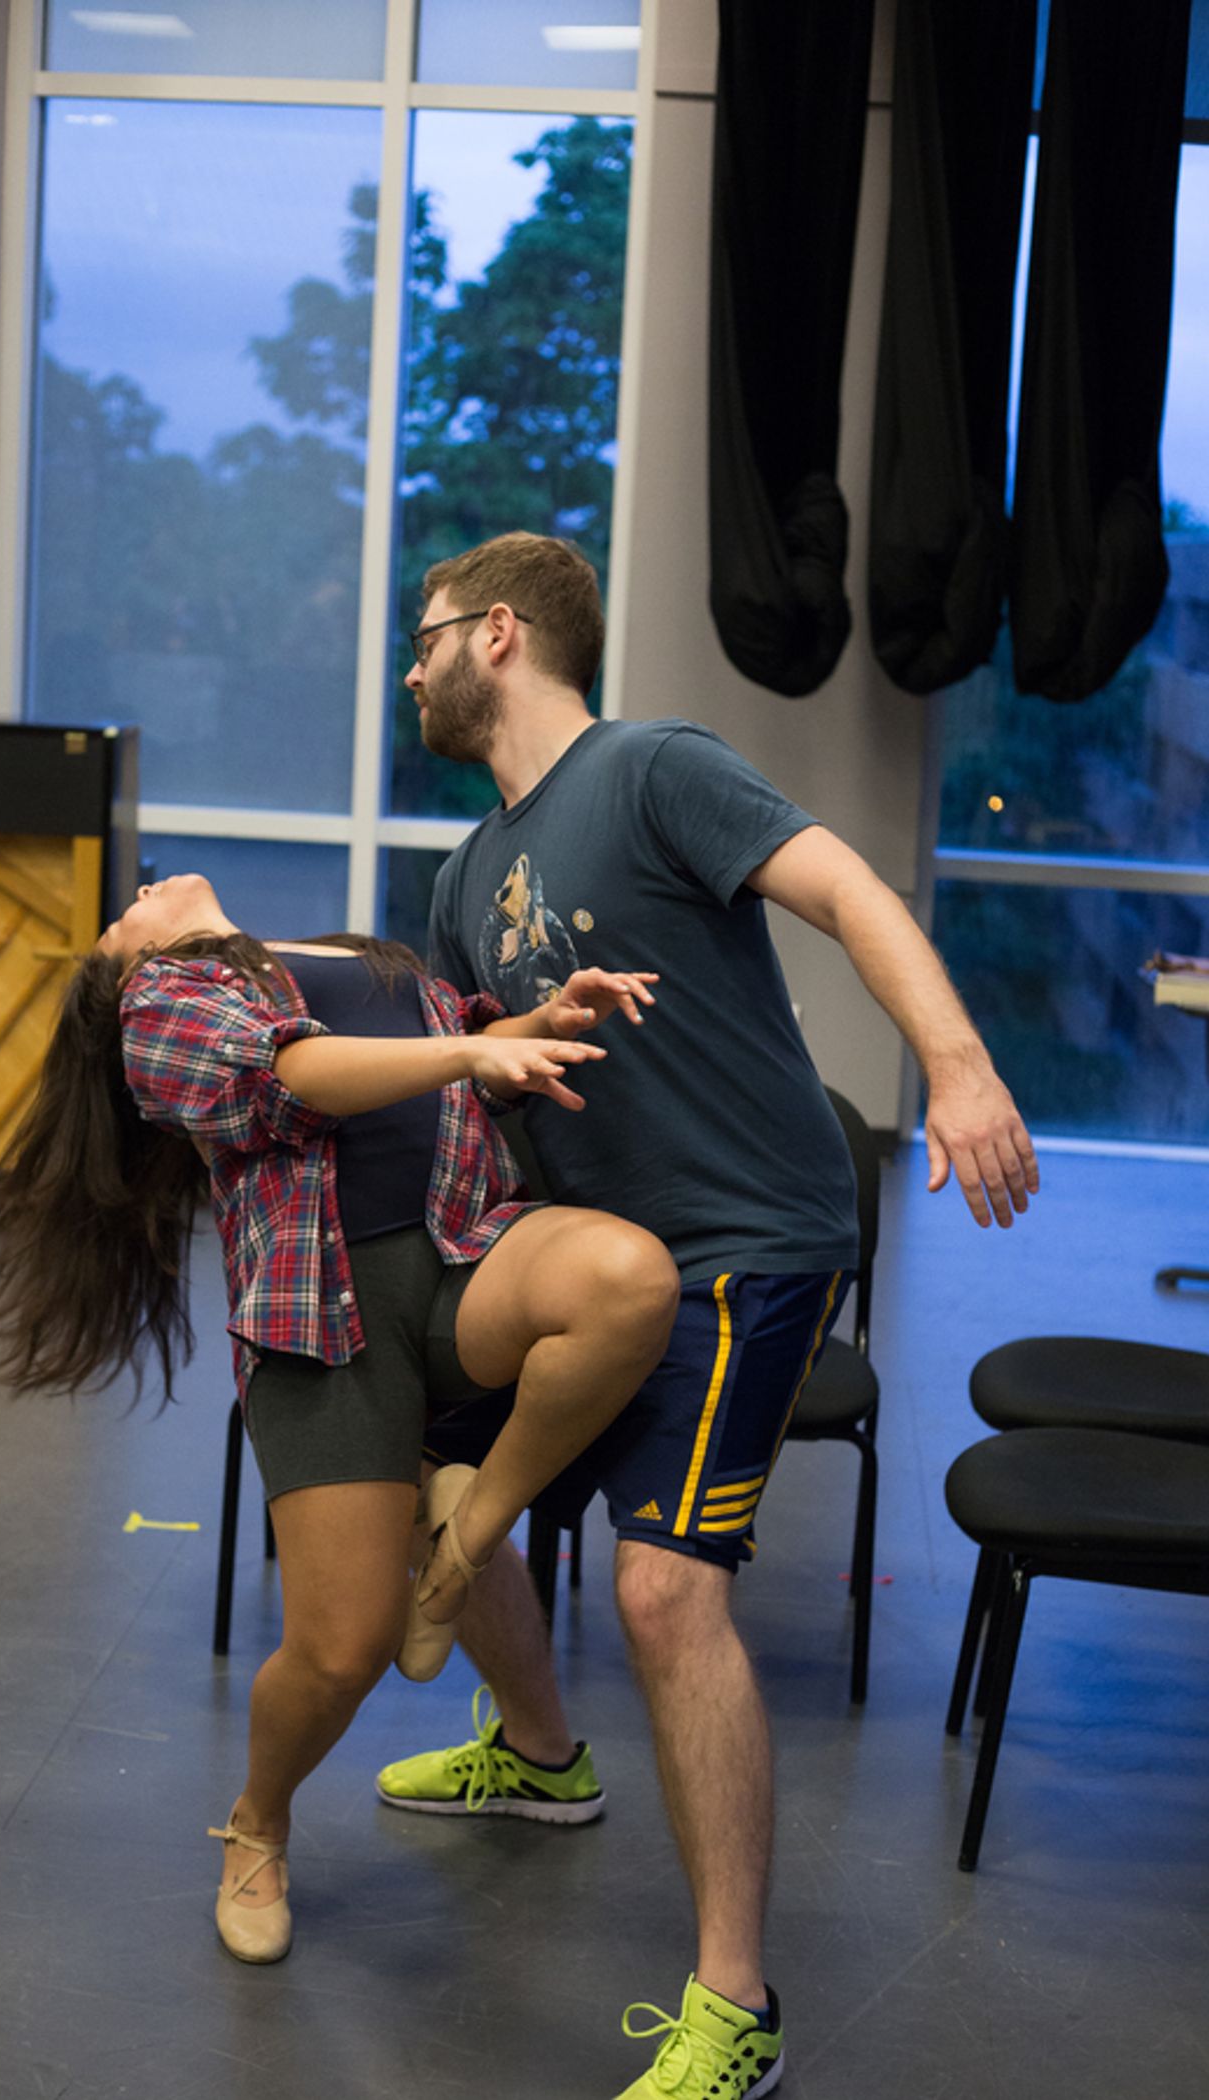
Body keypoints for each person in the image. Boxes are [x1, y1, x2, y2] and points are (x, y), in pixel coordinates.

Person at [377, 532, 1041, 2100]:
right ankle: (539, 1755)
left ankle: (735, 2008)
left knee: (667, 1596)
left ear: (500, 637)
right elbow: (493, 1085)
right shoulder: (467, 879)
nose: (407, 668)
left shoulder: (652, 768)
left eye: (422, 638)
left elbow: (845, 888)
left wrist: (956, 1064)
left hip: (750, 1242)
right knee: (397, 1420)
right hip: (596, 1249)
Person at [0, 871, 678, 1964]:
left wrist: (540, 1023)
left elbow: (460, 1091)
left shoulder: (343, 952)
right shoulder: (163, 1004)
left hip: (464, 1254)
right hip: (323, 1320)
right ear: (124, 970)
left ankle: (462, 1541)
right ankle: (257, 1823)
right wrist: (468, 1052)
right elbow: (294, 1078)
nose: (139, 891)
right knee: (341, 1653)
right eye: (119, 916)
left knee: (629, 1278)